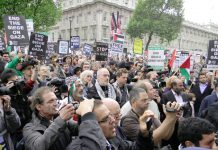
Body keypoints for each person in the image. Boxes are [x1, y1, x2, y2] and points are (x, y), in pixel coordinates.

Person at [66, 99, 154, 150]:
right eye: (105, 119)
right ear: (91, 125)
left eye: (110, 115)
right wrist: (86, 113)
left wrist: (143, 134)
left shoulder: (112, 140)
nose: (113, 120)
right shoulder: (77, 148)